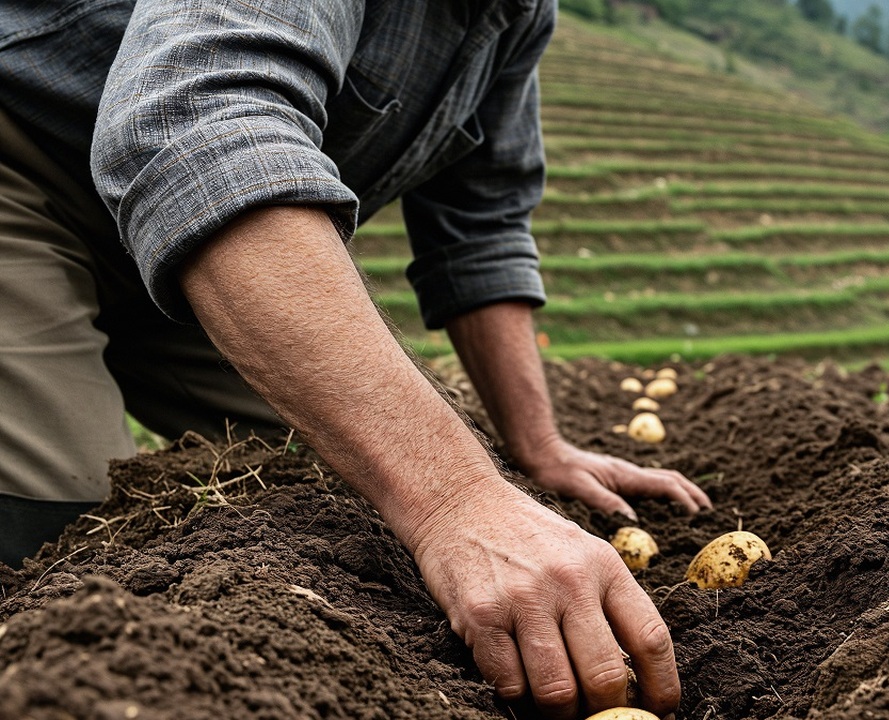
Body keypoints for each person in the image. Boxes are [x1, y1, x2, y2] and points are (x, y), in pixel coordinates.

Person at [0, 1, 711, 718]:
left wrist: (536, 448)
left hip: (180, 242)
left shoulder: (515, 13)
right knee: (62, 536)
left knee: (345, 492)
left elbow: (481, 224)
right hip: (26, 170)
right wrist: (454, 502)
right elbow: (193, 120)